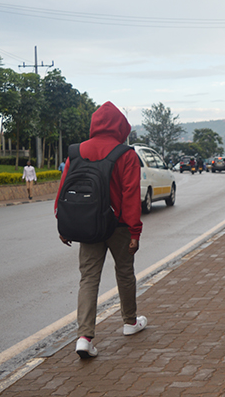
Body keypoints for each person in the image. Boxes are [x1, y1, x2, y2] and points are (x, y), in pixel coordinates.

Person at [55, 101, 147, 359]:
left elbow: (64, 190)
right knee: (125, 272)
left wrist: (62, 223)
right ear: (121, 125)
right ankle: (130, 322)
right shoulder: (126, 154)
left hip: (87, 225)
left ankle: (84, 337)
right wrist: (135, 232)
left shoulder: (76, 151)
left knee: (88, 278)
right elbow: (131, 195)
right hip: (118, 227)